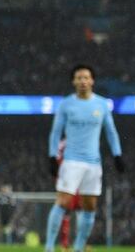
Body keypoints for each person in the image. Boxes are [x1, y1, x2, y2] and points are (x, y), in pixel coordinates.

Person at [44, 64, 124, 252]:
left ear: (92, 81)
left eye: (86, 78)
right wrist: (52, 157)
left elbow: (111, 132)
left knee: (89, 207)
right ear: (73, 81)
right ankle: (48, 248)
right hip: (71, 161)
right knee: (63, 201)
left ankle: (79, 248)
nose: (82, 81)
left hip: (93, 163)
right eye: (79, 78)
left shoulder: (102, 104)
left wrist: (117, 155)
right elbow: (55, 133)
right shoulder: (66, 104)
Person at [55, 138, 82, 251]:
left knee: (78, 210)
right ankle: (65, 244)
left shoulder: (63, 144)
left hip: (74, 179)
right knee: (68, 211)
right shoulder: (68, 143)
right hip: (68, 180)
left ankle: (77, 243)